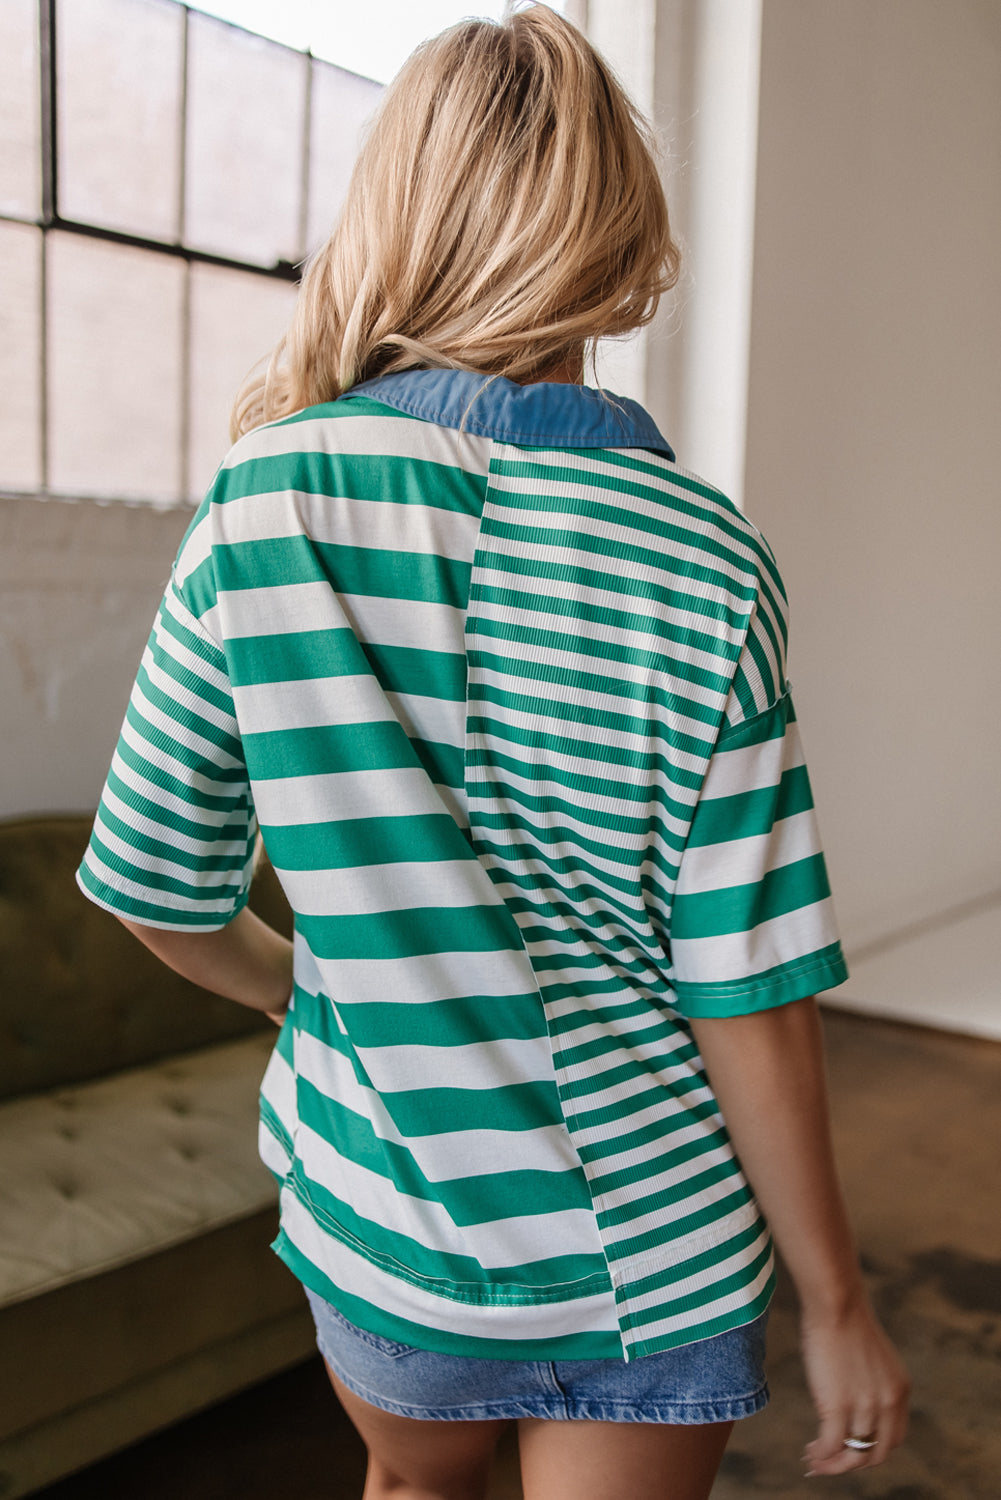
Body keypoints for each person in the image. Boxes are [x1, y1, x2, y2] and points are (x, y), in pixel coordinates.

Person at [76, 8, 909, 1498]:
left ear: (397, 212)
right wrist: (836, 1299)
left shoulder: (266, 500)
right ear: (618, 237)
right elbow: (746, 989)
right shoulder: (706, 556)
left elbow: (154, 887)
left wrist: (310, 993)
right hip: (649, 1248)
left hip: (386, 1227)